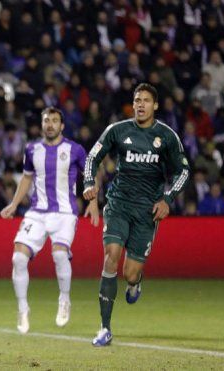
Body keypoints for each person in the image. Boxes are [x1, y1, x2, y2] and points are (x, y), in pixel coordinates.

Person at [83, 83, 190, 346]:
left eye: (145, 101)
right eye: (136, 100)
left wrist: (167, 199)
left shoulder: (166, 137)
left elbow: (183, 171)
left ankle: (135, 282)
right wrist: (89, 183)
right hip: (118, 204)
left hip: (147, 211)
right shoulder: (118, 130)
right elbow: (92, 157)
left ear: (155, 105)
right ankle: (104, 328)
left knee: (130, 273)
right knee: (111, 257)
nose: (140, 104)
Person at [0, 107, 99, 334]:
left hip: (65, 213)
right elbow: (26, 179)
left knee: (59, 253)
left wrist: (93, 203)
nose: (50, 124)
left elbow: (90, 176)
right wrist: (14, 205)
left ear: (62, 125)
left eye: (55, 121)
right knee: (17, 258)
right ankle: (23, 308)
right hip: (37, 212)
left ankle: (64, 299)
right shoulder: (32, 149)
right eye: (47, 120)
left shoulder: (75, 150)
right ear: (42, 124)